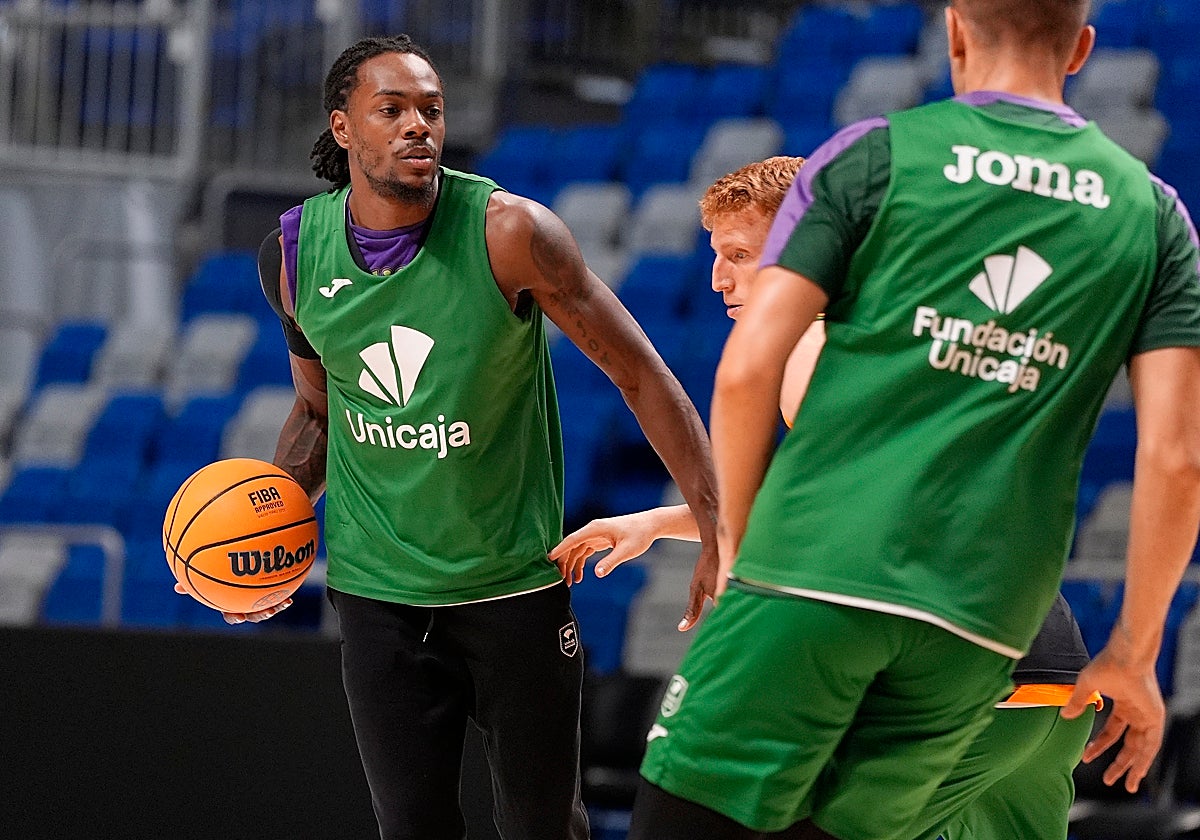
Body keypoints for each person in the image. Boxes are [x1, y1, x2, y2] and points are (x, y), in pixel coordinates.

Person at [622, 2, 1200, 838]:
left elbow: (749, 370)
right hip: (994, 625)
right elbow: (1175, 458)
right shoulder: (1154, 213)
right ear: (1081, 48)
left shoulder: (874, 158)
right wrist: (1139, 652)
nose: (718, 279)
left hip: (827, 586)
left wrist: (741, 557)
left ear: (955, 32)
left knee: (679, 821)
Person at [223, 34, 719, 840]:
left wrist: (715, 521)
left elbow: (641, 375)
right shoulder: (291, 251)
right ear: (344, 127)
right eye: (392, 109)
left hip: (512, 589)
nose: (418, 125)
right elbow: (318, 412)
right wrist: (264, 542)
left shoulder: (511, 232)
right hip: (378, 592)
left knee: (541, 827)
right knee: (410, 827)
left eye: (432, 109)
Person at [553, 155, 1100, 840]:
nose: (719, 277)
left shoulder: (812, 343)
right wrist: (663, 522)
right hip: (1053, 675)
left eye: (739, 254)